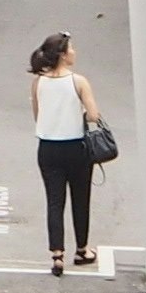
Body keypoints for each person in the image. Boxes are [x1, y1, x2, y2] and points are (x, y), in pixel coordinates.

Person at [31, 32, 107, 274]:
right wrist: (81, 112)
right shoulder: (78, 82)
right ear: (63, 55)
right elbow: (94, 115)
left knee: (54, 201)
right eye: (71, 49)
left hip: (48, 147)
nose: (74, 52)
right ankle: (82, 249)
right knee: (80, 199)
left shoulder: (38, 82)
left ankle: (57, 254)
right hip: (76, 147)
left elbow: (37, 114)